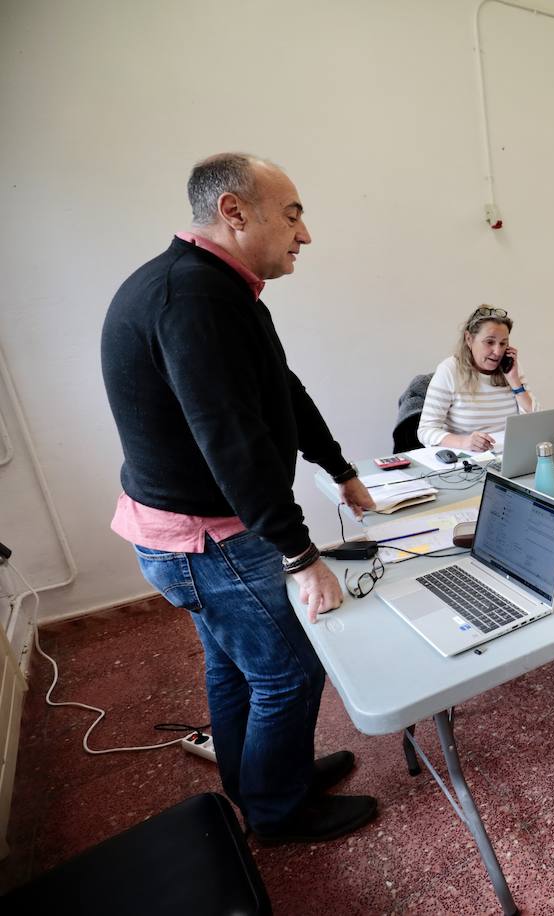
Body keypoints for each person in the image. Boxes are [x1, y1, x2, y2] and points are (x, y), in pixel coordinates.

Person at [101, 153, 378, 843]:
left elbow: (282, 388)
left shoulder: (218, 289)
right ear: (233, 212)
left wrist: (337, 466)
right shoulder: (191, 300)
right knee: (289, 672)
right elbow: (232, 441)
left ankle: (257, 784)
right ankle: (279, 813)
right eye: (291, 214)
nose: (304, 234)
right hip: (209, 540)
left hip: (186, 534)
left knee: (236, 667)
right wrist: (299, 553)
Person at [416, 306, 536, 453]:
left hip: (508, 455)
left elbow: (534, 422)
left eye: (503, 343)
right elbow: (425, 431)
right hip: (468, 461)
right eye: (489, 342)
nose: (498, 352)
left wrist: (514, 381)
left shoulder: (512, 368)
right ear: (469, 339)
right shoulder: (449, 370)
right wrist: (464, 442)